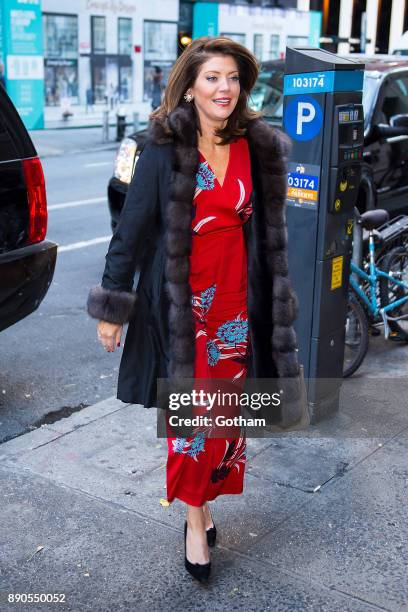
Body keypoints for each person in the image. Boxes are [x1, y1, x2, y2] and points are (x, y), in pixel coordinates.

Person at [87, 36, 304, 583]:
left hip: (238, 305)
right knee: (192, 423)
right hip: (184, 308)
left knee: (224, 423)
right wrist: (113, 306)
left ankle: (204, 503)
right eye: (212, 78)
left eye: (232, 78)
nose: (224, 88)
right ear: (188, 85)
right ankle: (193, 519)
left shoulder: (260, 148)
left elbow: (269, 236)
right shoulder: (161, 148)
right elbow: (131, 230)